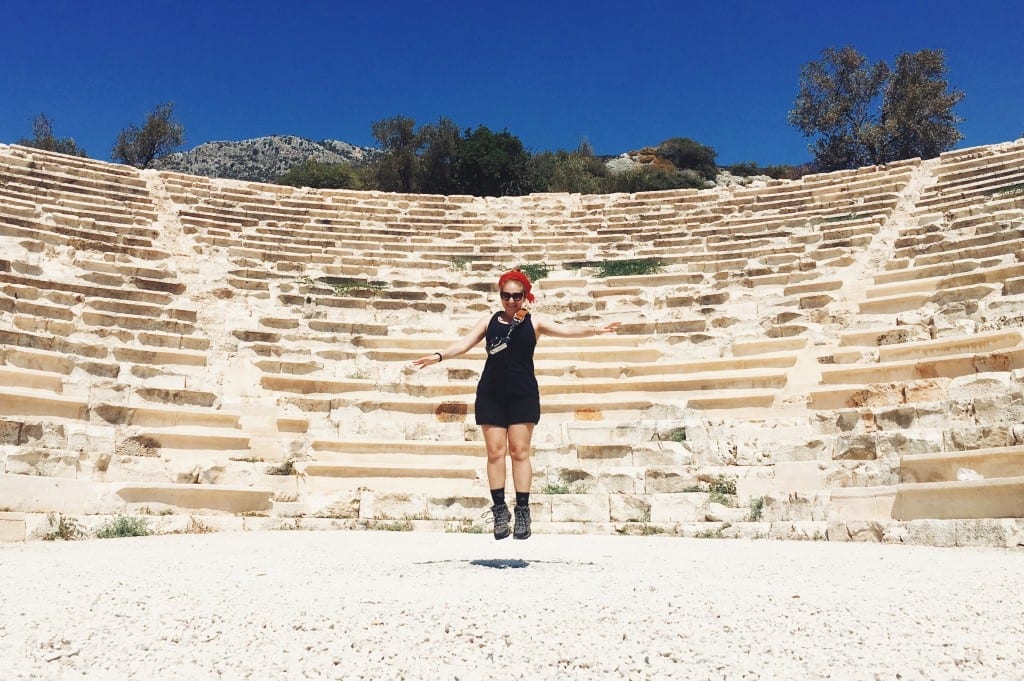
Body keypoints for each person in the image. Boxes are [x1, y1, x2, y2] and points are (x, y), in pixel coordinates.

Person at [412, 269, 621, 540]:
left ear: (525, 296)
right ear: (500, 296)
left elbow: (568, 329)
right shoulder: (488, 322)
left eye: (516, 296)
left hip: (522, 393)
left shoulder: (535, 323)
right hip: (491, 393)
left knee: (519, 451)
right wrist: (438, 356)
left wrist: (595, 329)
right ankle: (500, 510)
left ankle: (522, 510)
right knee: (495, 453)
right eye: (506, 295)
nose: (511, 301)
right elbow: (463, 344)